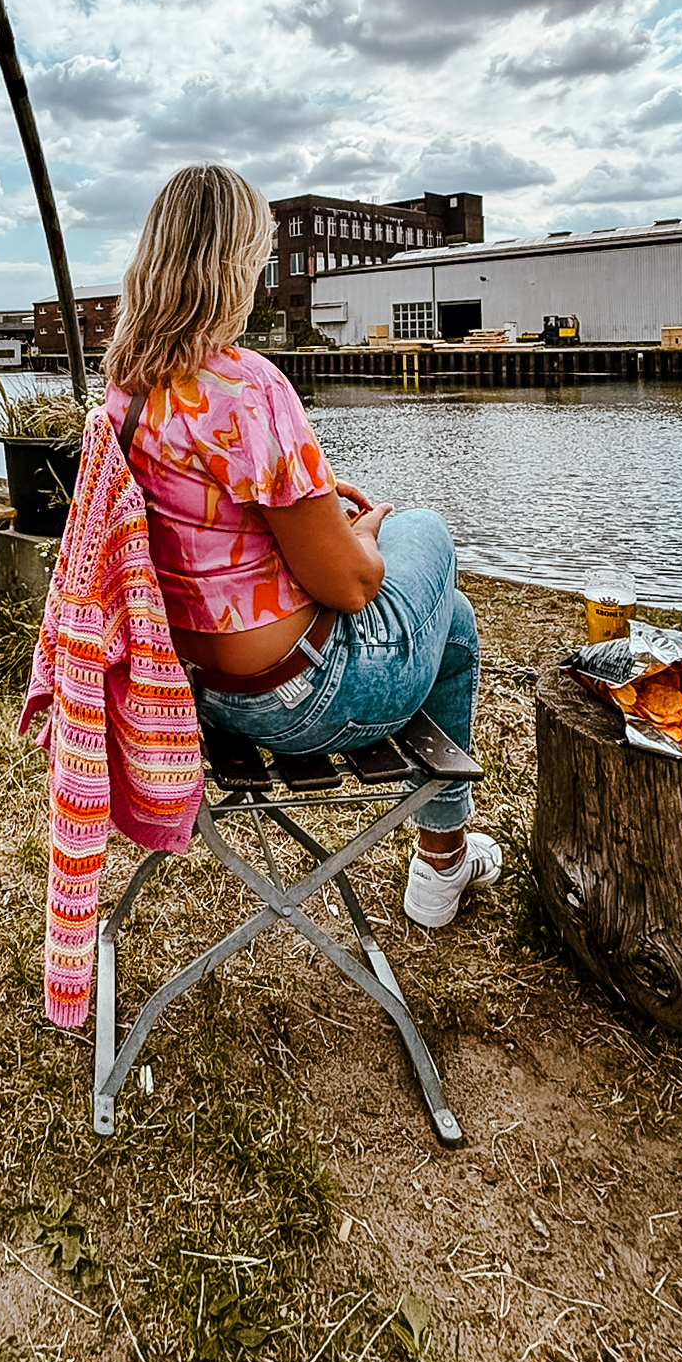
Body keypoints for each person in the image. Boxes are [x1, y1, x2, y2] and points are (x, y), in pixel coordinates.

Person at [101, 164, 500, 928]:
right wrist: (363, 535)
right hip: (299, 702)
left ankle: (442, 863)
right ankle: (441, 857)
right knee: (426, 531)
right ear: (237, 263)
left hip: (199, 690)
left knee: (454, 620)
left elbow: (207, 514)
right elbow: (350, 589)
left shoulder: (128, 390)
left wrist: (307, 496)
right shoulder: (250, 387)